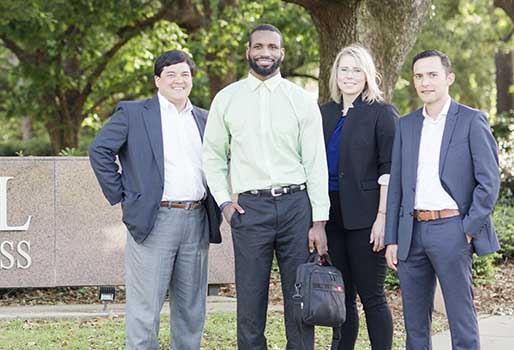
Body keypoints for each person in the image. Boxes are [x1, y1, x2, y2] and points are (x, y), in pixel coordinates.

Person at [202, 24, 329, 350]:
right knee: (250, 298)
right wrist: (224, 205)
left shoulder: (300, 100)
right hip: (249, 210)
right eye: (258, 46)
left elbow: (316, 163)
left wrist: (319, 221)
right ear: (248, 51)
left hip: (296, 207)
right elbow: (212, 156)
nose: (264, 53)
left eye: (272, 47)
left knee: (299, 296)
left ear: (281, 53)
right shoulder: (227, 99)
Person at [89, 50, 222, 350]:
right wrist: (125, 195)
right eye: (171, 74)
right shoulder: (134, 114)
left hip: (197, 221)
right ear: (157, 80)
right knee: (145, 311)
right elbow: (99, 150)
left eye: (185, 74)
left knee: (191, 311)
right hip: (153, 221)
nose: (179, 80)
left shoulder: (204, 118)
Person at [384, 50, 500, 350]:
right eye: (419, 76)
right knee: (414, 324)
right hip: (411, 232)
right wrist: (393, 239)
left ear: (449, 78)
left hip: (452, 228)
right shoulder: (406, 125)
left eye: (432, 74)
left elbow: (489, 182)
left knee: (460, 318)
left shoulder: (472, 121)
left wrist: (468, 228)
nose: (425, 82)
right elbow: (396, 184)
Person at [320, 45, 398, 350]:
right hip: (330, 217)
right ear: (335, 74)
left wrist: (382, 218)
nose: (349, 75)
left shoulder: (381, 112)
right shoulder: (323, 113)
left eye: (356, 69)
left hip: (367, 218)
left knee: (372, 297)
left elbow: (389, 169)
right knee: (342, 298)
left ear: (368, 75)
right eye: (344, 69)